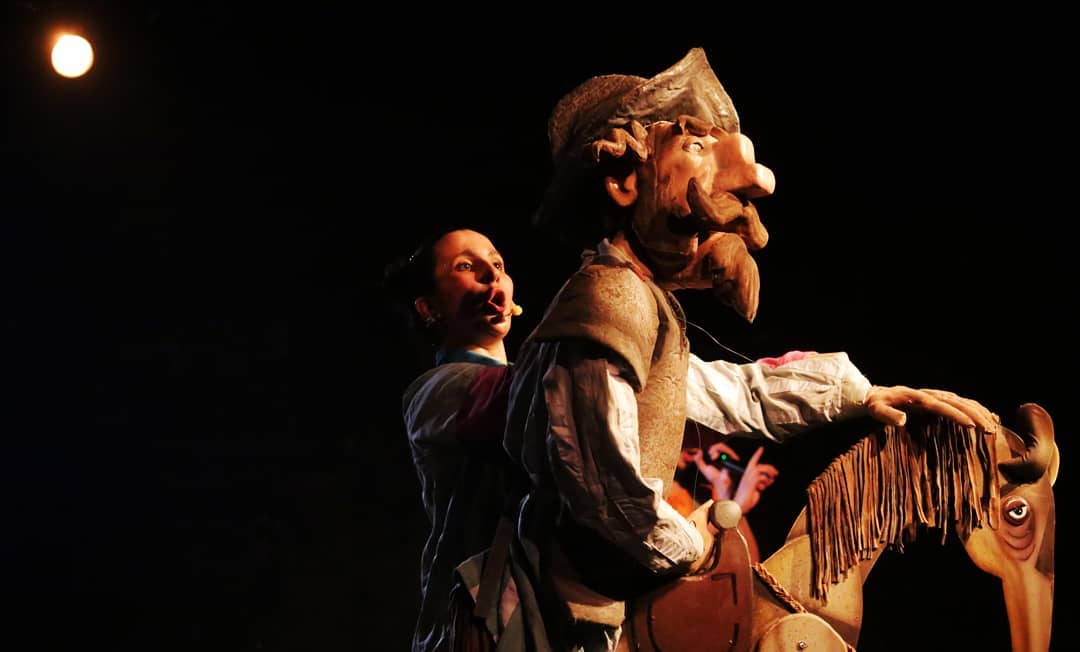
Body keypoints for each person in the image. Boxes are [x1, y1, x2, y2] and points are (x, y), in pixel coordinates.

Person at [500, 47, 1000, 651]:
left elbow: (733, 392)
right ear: (625, 181)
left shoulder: (643, 300)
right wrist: (686, 542)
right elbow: (601, 479)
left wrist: (864, 394)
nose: (749, 185)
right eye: (693, 146)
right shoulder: (611, 297)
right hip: (585, 610)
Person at [383, 226, 535, 652]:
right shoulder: (436, 390)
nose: (491, 273)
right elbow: (528, 396)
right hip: (477, 628)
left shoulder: (531, 379)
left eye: (497, 263)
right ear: (429, 308)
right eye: (466, 266)